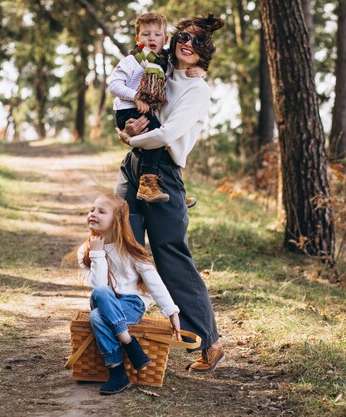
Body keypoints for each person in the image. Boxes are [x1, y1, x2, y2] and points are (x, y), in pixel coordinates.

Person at [115, 15, 225, 373]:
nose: (187, 44)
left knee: (170, 257)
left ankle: (209, 341)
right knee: (122, 246)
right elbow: (132, 104)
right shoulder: (159, 66)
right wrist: (127, 129)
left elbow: (167, 133)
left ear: (204, 54)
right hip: (133, 166)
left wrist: (133, 137)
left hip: (162, 172)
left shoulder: (198, 89)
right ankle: (117, 338)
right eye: (184, 37)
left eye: (196, 43)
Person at [77, 193, 182, 395]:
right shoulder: (86, 251)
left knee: (96, 317)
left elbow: (154, 281)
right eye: (91, 210)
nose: (93, 214)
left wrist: (171, 311)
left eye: (101, 211)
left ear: (116, 219)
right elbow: (99, 286)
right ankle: (128, 341)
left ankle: (116, 371)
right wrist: (97, 252)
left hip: (131, 303)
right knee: (101, 292)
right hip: (104, 300)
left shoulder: (129, 249)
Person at [109, 12, 199, 208]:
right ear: (137, 38)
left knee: (159, 140)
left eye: (157, 35)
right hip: (127, 111)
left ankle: (171, 191)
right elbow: (114, 85)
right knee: (157, 134)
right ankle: (147, 183)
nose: (151, 38)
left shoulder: (165, 62)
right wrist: (135, 96)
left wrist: (201, 70)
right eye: (146, 34)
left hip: (146, 111)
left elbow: (188, 64)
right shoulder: (131, 61)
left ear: (165, 39)